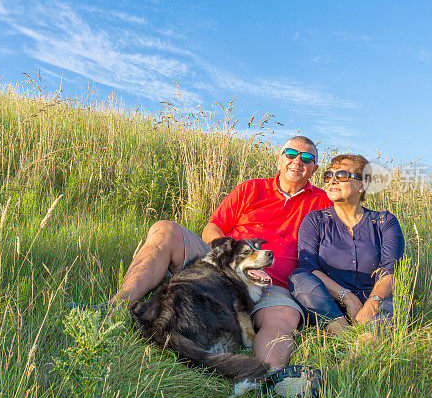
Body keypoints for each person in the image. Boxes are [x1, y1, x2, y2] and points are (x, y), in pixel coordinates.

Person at [78, 136, 332, 375]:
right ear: (280, 159)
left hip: (270, 282)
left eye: (306, 158)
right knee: (166, 229)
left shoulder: (323, 202)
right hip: (221, 264)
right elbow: (212, 228)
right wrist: (224, 253)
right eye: (291, 153)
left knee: (285, 316)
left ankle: (266, 375)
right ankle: (116, 306)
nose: (297, 161)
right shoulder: (251, 189)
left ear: (314, 167)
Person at [289, 154, 405, 335]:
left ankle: (365, 343)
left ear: (363, 185)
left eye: (342, 175)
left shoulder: (384, 221)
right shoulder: (315, 220)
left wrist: (373, 302)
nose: (332, 181)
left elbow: (390, 269)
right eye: (328, 176)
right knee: (299, 277)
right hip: (328, 302)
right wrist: (347, 298)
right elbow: (309, 267)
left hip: (375, 299)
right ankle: (342, 335)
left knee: (401, 303)